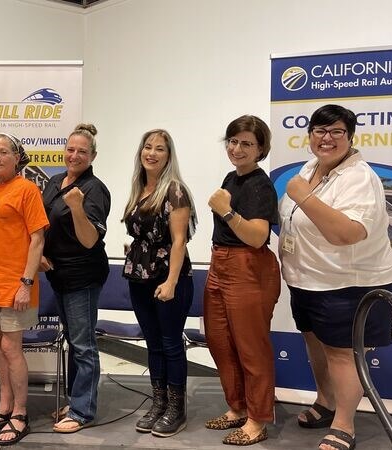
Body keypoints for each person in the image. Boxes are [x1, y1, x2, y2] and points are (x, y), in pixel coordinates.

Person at [280, 104, 392, 450]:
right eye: (319, 130)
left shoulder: (358, 177)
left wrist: (301, 195)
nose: (326, 138)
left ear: (350, 137)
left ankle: (345, 424)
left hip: (348, 284)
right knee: (315, 343)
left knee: (342, 354)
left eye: (336, 132)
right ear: (310, 135)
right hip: (307, 279)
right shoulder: (311, 167)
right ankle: (325, 401)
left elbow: (346, 233)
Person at [203, 115, 280, 446]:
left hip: (249, 267)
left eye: (246, 143)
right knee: (221, 343)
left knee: (252, 348)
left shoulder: (262, 186)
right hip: (219, 263)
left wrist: (226, 211)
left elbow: (257, 236)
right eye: (232, 141)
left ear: (260, 148)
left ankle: (258, 419)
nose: (237, 148)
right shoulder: (231, 178)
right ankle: (237, 407)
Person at [0, 133, 49, 446]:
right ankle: (3, 407)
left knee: (12, 348)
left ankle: (20, 413)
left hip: (17, 286)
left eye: (4, 152)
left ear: (17, 157)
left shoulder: (27, 190)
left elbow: (38, 240)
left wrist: (26, 283)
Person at [123, 129, 197, 438]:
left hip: (169, 278)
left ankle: (176, 409)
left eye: (160, 149)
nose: (152, 153)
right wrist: (137, 250)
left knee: (170, 343)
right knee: (153, 344)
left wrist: (170, 282)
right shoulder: (139, 188)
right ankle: (159, 403)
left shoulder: (175, 190)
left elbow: (179, 241)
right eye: (148, 147)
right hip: (139, 277)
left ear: (169, 156)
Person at [40, 124, 111, 433]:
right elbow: (43, 223)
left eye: (82, 151)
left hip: (83, 275)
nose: (75, 155)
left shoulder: (95, 189)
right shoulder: (55, 182)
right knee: (73, 340)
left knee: (83, 344)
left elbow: (89, 240)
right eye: (71, 149)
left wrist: (78, 208)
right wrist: (39, 253)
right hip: (58, 274)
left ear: (92, 155)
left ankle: (83, 410)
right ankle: (75, 399)